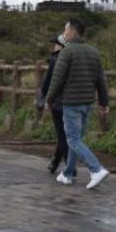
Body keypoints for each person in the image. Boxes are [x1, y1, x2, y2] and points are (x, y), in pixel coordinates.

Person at [46, 19, 110, 189]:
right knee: (76, 139)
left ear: (73, 32)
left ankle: (96, 169)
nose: (64, 33)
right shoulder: (94, 52)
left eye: (65, 30)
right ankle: (68, 174)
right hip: (87, 103)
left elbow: (57, 79)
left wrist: (49, 99)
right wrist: (103, 102)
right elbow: (101, 80)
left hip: (71, 102)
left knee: (73, 140)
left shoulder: (67, 52)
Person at [37, 35, 70, 175]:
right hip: (74, 101)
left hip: (58, 101)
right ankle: (55, 161)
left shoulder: (56, 59)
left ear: (61, 46)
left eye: (56, 44)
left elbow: (48, 82)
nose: (54, 46)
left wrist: (44, 98)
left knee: (62, 133)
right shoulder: (74, 58)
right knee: (65, 132)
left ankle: (69, 165)